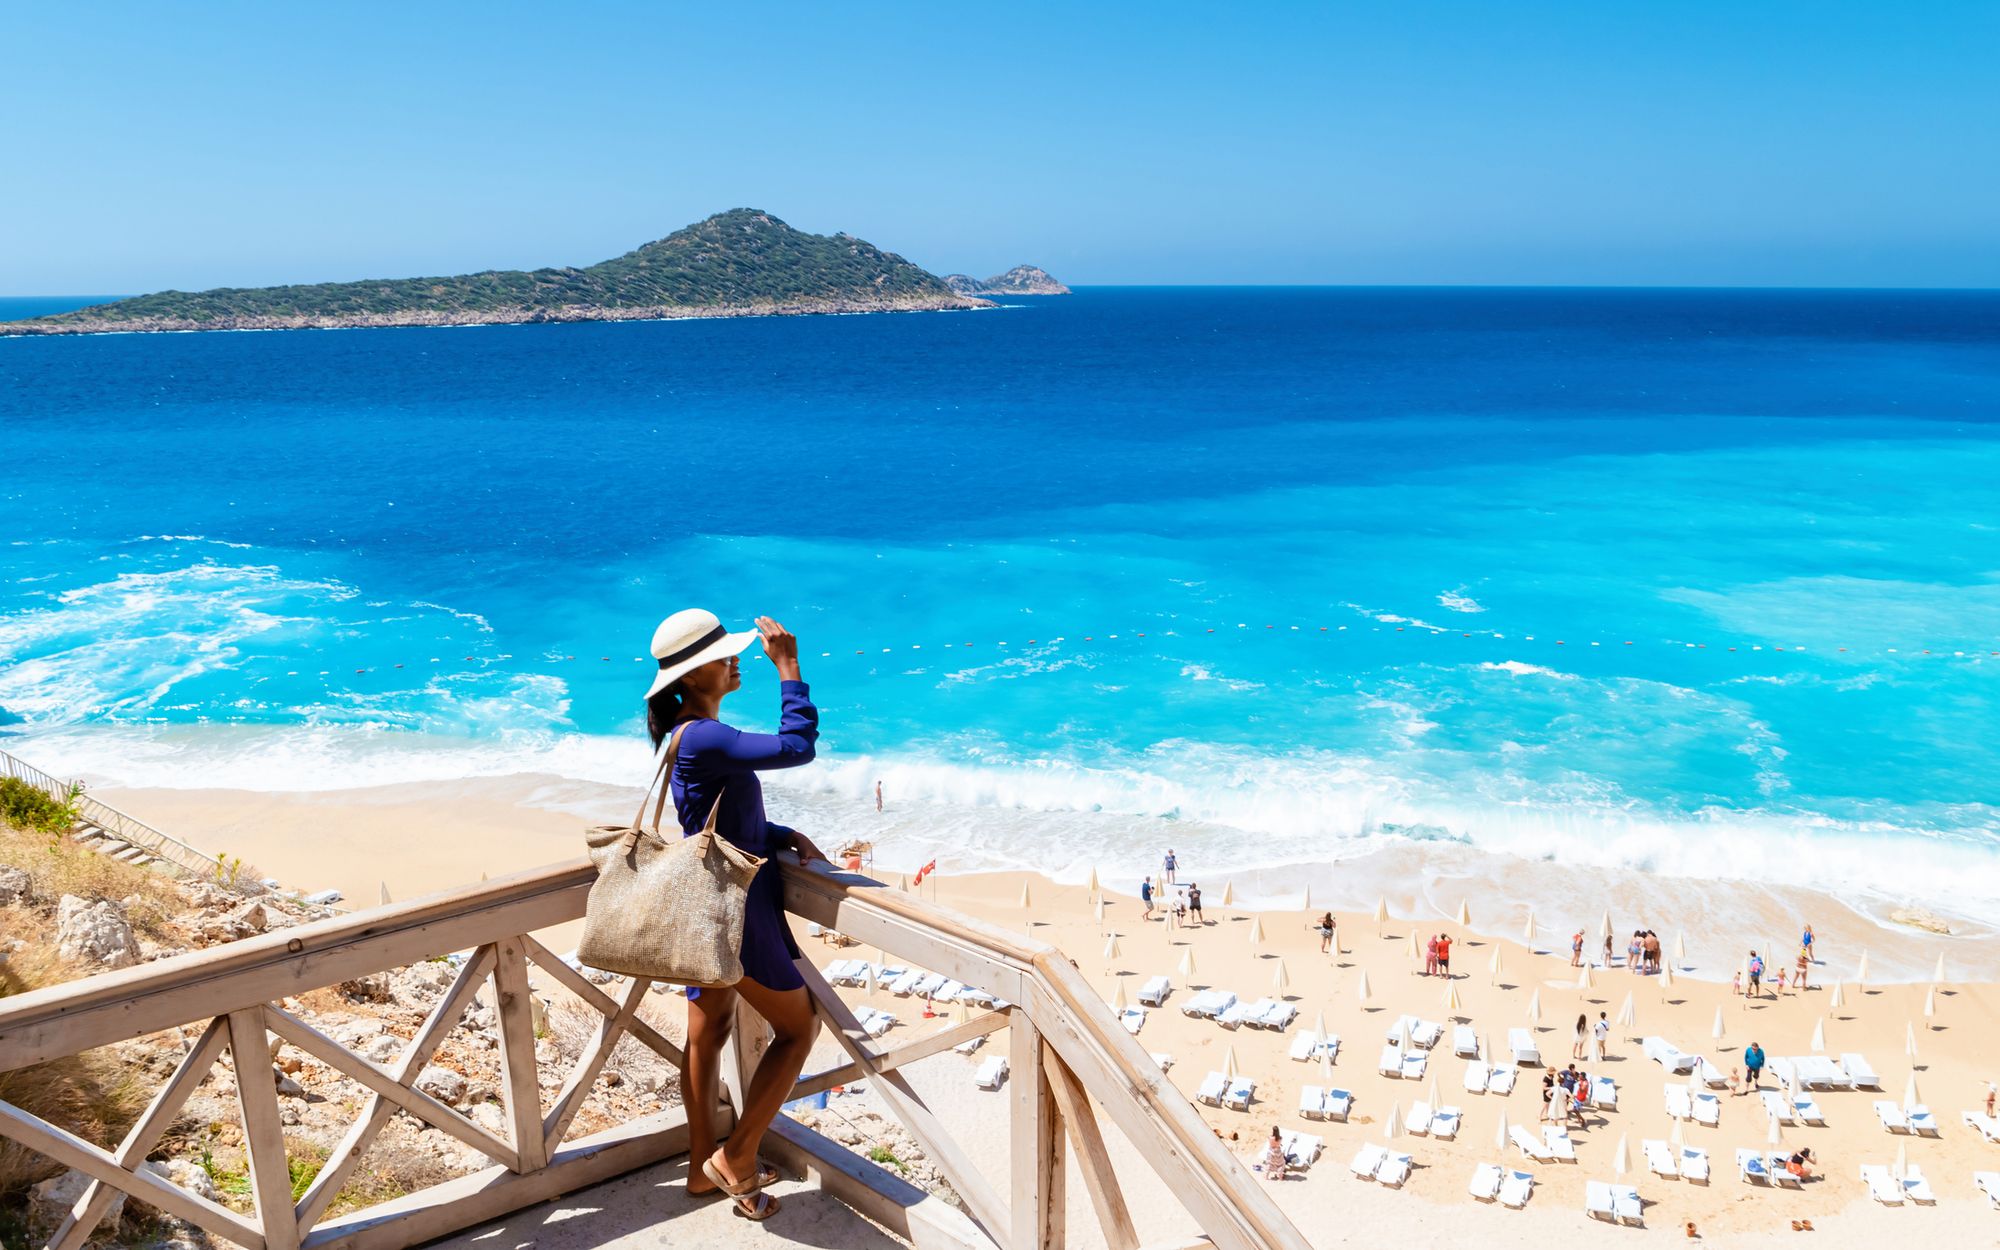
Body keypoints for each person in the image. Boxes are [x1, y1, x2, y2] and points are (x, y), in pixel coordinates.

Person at [645, 610, 823, 1222]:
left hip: (708, 908)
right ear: (695, 676)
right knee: (799, 1030)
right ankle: (737, 1156)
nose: (736, 661)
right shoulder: (703, 735)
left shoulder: (687, 737)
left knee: (708, 1032)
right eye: (725, 657)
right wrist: (790, 670)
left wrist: (780, 831)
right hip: (738, 916)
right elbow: (797, 747)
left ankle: (701, 1169)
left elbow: (711, 818)